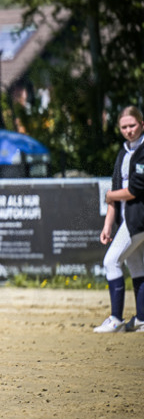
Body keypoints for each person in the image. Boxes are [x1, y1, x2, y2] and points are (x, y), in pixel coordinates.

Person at [95, 105, 144, 332]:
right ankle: (142, 320)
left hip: (138, 220)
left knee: (111, 261)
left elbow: (134, 190)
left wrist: (110, 195)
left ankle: (115, 318)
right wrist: (107, 225)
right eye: (124, 127)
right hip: (126, 220)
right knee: (137, 266)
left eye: (132, 125)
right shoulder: (123, 152)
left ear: (142, 124)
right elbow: (115, 191)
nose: (128, 130)